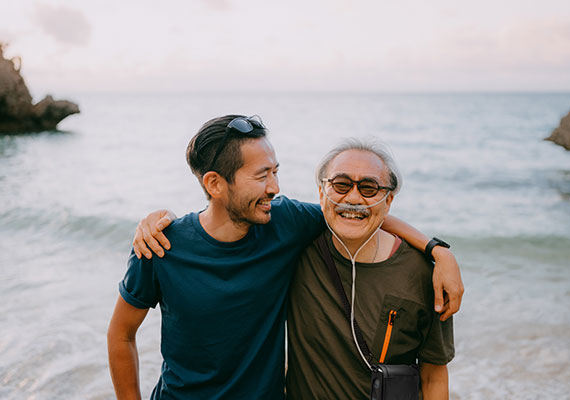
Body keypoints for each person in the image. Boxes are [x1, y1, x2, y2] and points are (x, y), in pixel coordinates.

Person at [110, 115, 463, 399]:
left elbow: (354, 209)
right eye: (262, 175)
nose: (275, 187)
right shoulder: (160, 245)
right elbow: (121, 334)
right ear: (215, 184)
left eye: (275, 171)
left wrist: (437, 250)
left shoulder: (284, 222)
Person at [286, 139, 454, 399]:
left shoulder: (423, 274)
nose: (353, 198)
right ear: (321, 192)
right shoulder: (295, 249)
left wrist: (440, 253)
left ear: (388, 201)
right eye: (341, 184)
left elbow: (433, 377)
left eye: (369, 188)